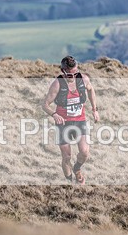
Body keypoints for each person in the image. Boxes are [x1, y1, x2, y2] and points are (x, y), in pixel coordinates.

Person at [41, 56, 99, 184]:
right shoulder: (57, 84)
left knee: (84, 152)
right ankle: (69, 182)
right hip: (63, 124)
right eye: (69, 74)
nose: (73, 76)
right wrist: (54, 114)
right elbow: (45, 105)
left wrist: (95, 109)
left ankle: (77, 168)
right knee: (67, 156)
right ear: (63, 71)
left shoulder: (83, 79)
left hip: (80, 121)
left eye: (75, 72)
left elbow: (91, 90)